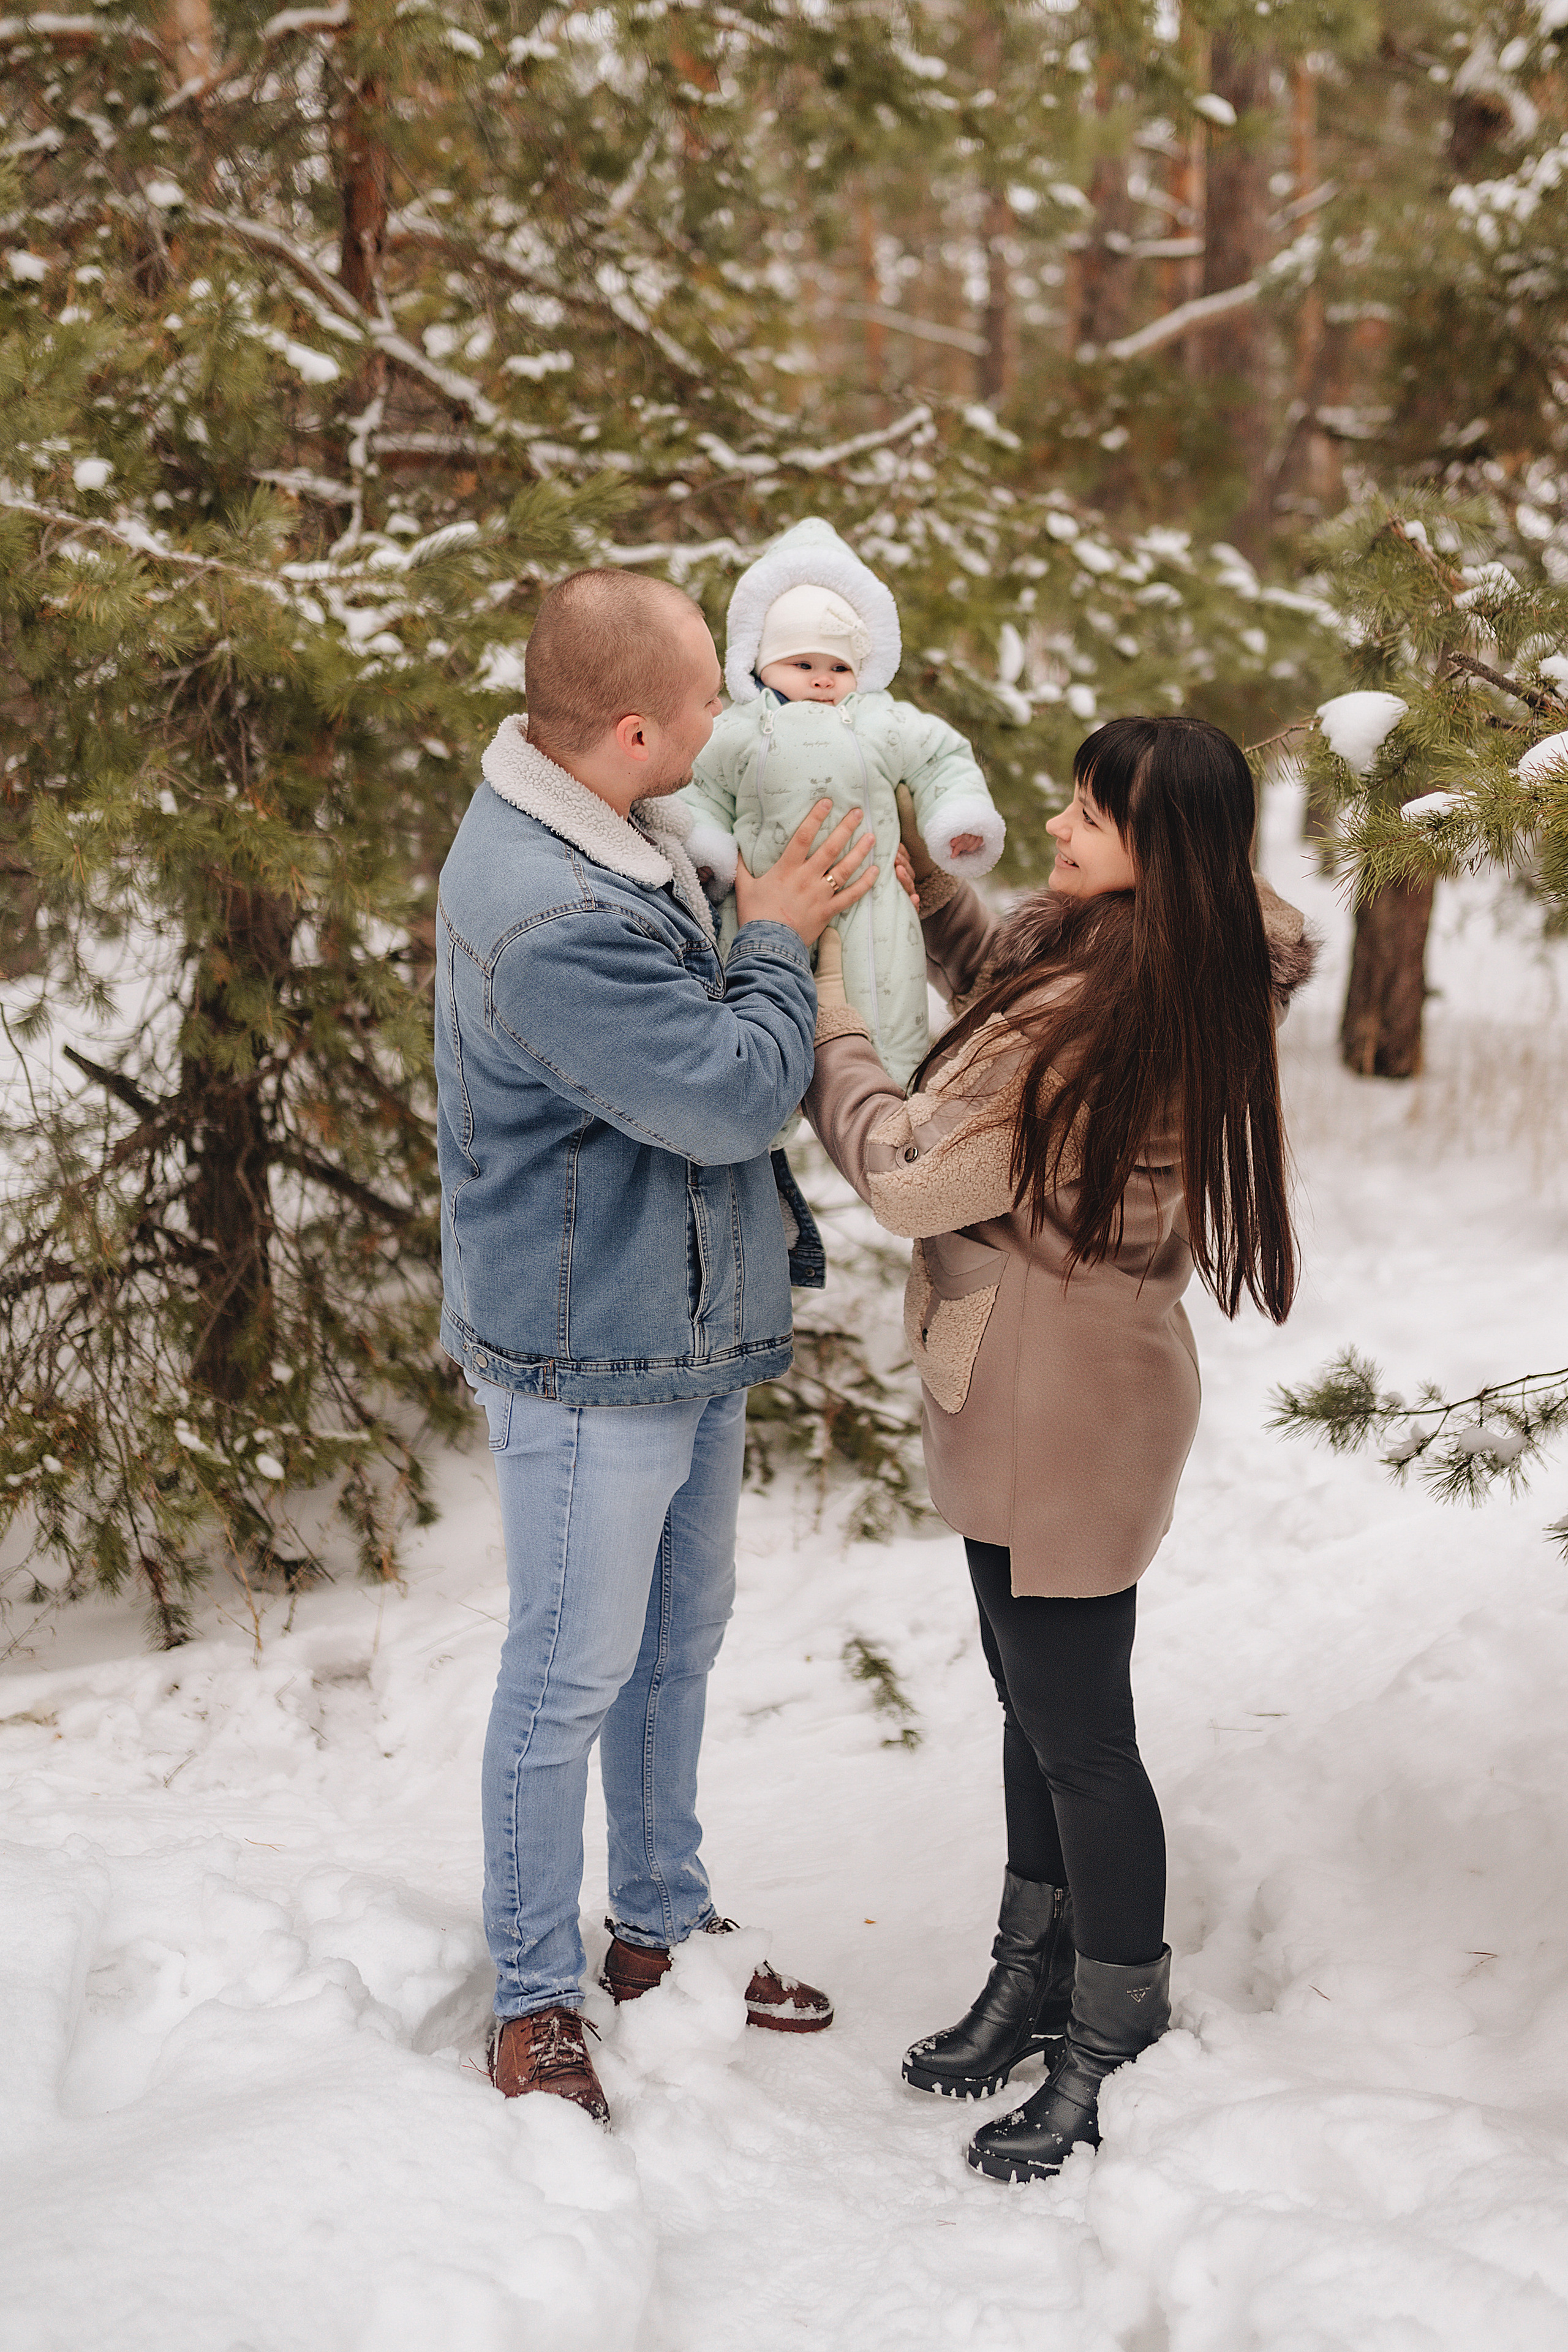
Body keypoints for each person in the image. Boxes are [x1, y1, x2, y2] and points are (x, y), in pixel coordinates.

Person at [804, 713, 1317, 2182]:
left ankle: (1110, 2022)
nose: (1055, 827)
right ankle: (1033, 1972)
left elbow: (911, 1171)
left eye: (1086, 817)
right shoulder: (1160, 961)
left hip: (1056, 1396)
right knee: (1040, 1705)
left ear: (1153, 852)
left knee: (1078, 1732)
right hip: (1050, 1375)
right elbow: (1009, 996)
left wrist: (835, 1024)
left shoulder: (1095, 1010)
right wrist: (929, 898)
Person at [434, 567, 880, 2120]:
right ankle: (532, 1993)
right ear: (634, 728)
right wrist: (776, 936)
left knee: (671, 1649)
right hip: (583, 1344)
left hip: (677, 1323)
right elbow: (726, 1093)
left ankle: (656, 1930)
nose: (736, 710)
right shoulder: (546, 906)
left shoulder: (625, 826)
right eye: (710, 694)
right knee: (566, 1672)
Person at [680, 516, 1005, 1090]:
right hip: (763, 901)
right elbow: (699, 786)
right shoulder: (738, 728)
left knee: (882, 1000)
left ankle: (888, 1096)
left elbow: (941, 758)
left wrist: (955, 819)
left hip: (873, 897)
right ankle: (768, 1109)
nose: (823, 679)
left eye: (839, 667)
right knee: (758, 1010)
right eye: (803, 664)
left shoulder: (882, 719)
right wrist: (706, 853)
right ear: (758, 662)